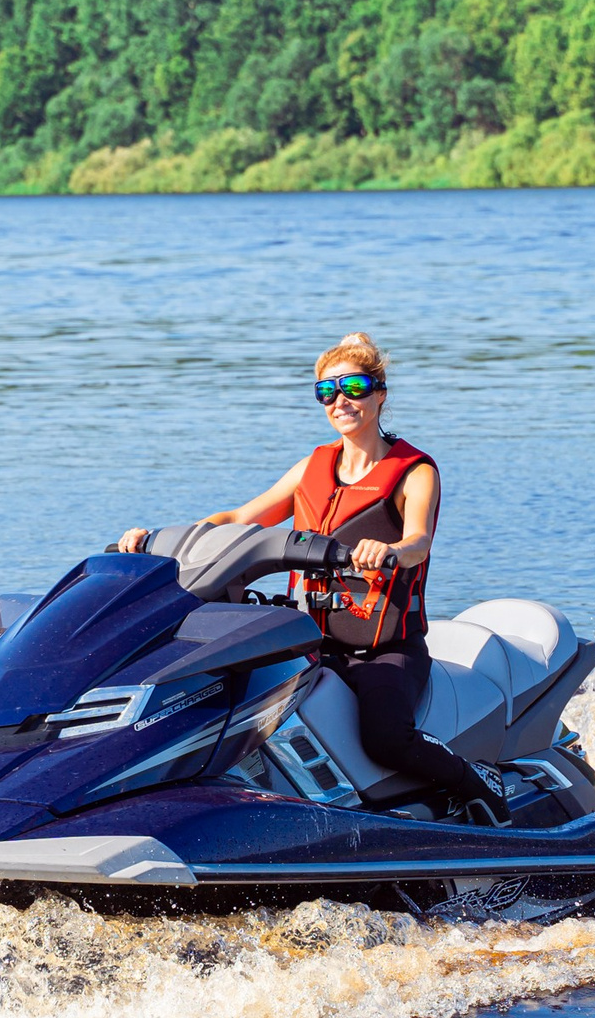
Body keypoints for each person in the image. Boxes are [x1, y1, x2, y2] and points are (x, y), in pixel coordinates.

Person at [117, 334, 509, 823]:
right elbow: (242, 517)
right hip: (312, 642)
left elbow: (418, 542)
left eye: (354, 387)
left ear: (380, 393)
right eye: (327, 391)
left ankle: (477, 781)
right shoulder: (311, 468)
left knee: (386, 738)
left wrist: (389, 551)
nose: (340, 401)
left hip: (385, 651)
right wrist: (160, 538)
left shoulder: (413, 471)